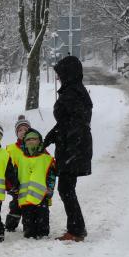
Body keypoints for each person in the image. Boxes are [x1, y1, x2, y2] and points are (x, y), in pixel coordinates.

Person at [44, 55, 93, 241]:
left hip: (74, 147)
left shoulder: (73, 94)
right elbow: (66, 122)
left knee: (66, 188)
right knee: (66, 188)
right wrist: (51, 137)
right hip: (72, 145)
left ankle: (76, 230)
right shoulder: (73, 91)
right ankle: (77, 228)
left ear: (68, 73)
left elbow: (75, 124)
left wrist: (68, 147)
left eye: (60, 73)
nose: (58, 77)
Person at [15, 128, 57, 239]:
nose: (31, 141)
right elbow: (16, 175)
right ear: (24, 142)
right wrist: (15, 188)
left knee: (42, 216)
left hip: (42, 195)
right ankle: (29, 232)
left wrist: (50, 188)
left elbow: (51, 176)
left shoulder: (46, 159)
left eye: (34, 139)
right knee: (27, 218)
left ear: (39, 141)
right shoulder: (20, 159)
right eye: (28, 139)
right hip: (25, 196)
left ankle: (43, 233)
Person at [5, 115, 31, 232]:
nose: (22, 132)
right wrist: (10, 184)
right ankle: (11, 225)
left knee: (28, 205)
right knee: (15, 205)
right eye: (20, 130)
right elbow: (5, 167)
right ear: (16, 133)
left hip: (30, 183)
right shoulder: (10, 149)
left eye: (25, 130)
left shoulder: (35, 146)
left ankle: (29, 226)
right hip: (15, 183)